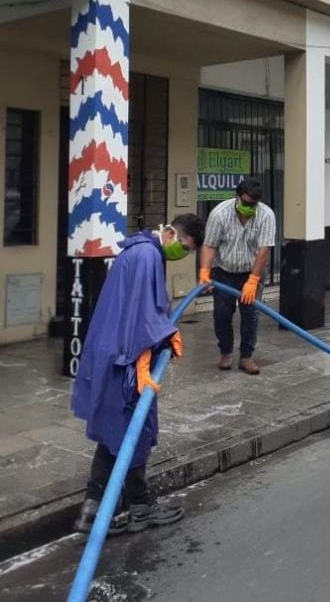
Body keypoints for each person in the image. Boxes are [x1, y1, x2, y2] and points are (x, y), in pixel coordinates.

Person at [71, 213, 205, 535]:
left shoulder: (139, 251)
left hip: (114, 349)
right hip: (125, 357)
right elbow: (142, 313)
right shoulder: (147, 255)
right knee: (131, 429)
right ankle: (132, 507)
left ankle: (110, 509)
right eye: (184, 247)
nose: (182, 254)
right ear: (172, 233)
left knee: (118, 430)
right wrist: (162, 338)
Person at [198, 176, 276, 375]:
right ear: (237, 197)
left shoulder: (266, 215)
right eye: (246, 203)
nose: (249, 207)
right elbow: (210, 244)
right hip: (224, 272)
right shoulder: (220, 214)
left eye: (253, 204)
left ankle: (246, 357)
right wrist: (205, 271)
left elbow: (264, 250)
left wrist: (253, 279)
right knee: (222, 315)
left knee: (251, 315)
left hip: (251, 273)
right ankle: (225, 353)